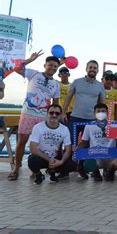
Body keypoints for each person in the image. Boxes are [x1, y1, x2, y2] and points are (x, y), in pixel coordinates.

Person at [9, 51, 61, 181]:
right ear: (45, 65)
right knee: (21, 142)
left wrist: (55, 118)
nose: (52, 68)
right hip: (28, 114)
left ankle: (35, 170)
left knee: (40, 145)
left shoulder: (56, 84)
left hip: (44, 117)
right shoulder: (34, 74)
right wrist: (30, 60)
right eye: (50, 65)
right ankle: (16, 168)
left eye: (55, 66)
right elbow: (14, 68)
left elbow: (55, 104)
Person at [28, 104, 76, 184]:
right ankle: (39, 174)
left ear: (60, 115)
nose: (54, 115)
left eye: (57, 113)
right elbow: (33, 148)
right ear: (47, 114)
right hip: (42, 157)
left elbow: (68, 149)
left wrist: (62, 161)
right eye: (51, 113)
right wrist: (49, 159)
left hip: (56, 158)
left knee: (72, 164)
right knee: (32, 160)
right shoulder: (38, 127)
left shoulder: (64, 129)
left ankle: (54, 173)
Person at [77, 103, 117, 181]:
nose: (101, 113)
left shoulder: (115, 125)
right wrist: (77, 150)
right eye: (98, 111)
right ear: (94, 113)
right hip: (96, 155)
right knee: (87, 162)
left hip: (111, 156)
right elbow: (84, 142)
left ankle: (111, 172)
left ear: (107, 112)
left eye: (103, 111)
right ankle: (96, 172)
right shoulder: (89, 126)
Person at [63, 60, 106, 144]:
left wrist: (101, 119)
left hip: (91, 120)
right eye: (90, 67)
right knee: (71, 143)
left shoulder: (100, 85)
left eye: (95, 68)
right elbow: (68, 97)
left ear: (97, 70)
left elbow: (102, 104)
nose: (92, 69)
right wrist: (63, 113)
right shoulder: (77, 82)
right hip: (75, 118)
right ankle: (69, 157)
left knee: (87, 144)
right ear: (86, 69)